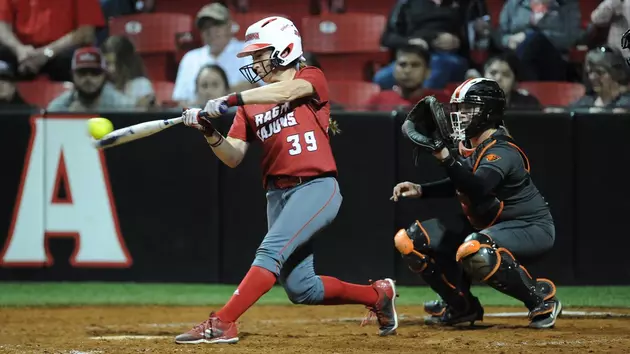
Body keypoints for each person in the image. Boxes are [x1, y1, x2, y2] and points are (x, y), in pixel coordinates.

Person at [175, 16, 398, 345]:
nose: (254, 61)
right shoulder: (251, 104)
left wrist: (232, 98)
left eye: (260, 53)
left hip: (317, 185)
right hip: (277, 195)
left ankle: (223, 322)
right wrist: (209, 131)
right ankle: (377, 295)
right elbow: (233, 156)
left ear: (283, 50)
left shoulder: (309, 77)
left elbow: (289, 90)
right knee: (301, 288)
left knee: (269, 252)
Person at [391, 77, 561, 329]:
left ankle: (540, 299)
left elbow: (479, 187)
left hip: (530, 227)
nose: (460, 115)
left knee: (474, 251)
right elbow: (463, 181)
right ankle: (460, 306)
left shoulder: (502, 150)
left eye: (467, 108)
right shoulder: (469, 144)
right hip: (489, 226)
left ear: (488, 111)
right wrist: (421, 190)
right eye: (458, 108)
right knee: (409, 240)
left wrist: (444, 156)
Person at [101, 35, 155, 108]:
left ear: (127, 62)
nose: (111, 69)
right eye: (107, 63)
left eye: (117, 63)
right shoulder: (101, 88)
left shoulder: (142, 85)